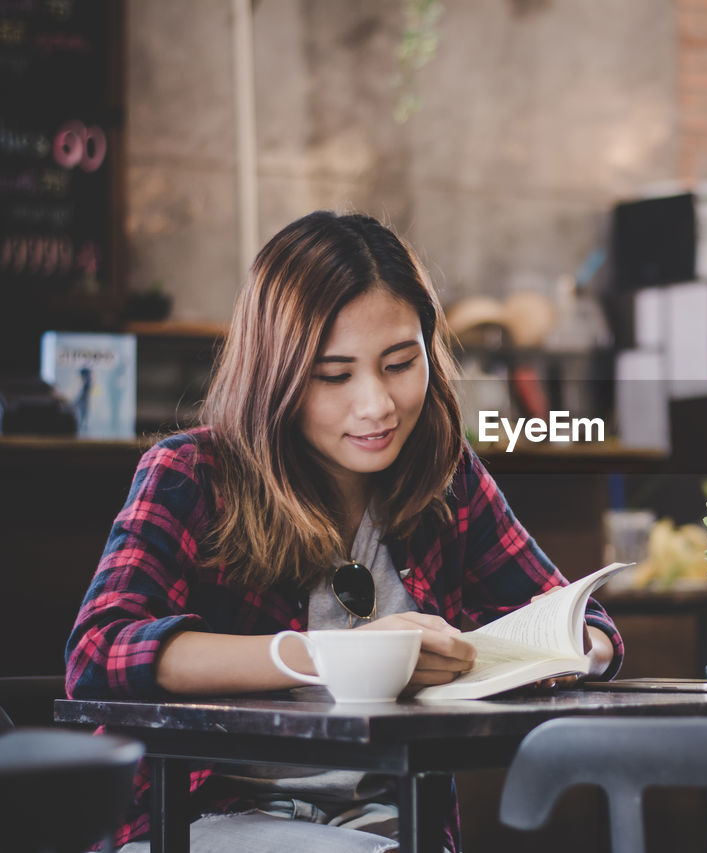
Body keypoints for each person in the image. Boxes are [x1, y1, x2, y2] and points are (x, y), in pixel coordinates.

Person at [65, 211, 624, 852]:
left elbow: (592, 630)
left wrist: (559, 653)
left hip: (385, 824)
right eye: (334, 376)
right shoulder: (193, 473)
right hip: (197, 821)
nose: (377, 406)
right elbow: (99, 651)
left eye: (399, 364)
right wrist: (329, 657)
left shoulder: (447, 477)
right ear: (273, 376)